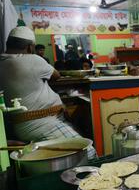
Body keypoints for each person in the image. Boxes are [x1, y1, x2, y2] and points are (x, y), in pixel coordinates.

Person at [0, 26, 96, 159]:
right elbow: (56, 75)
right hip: (44, 124)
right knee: (89, 153)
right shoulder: (32, 59)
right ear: (30, 48)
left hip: (23, 125)